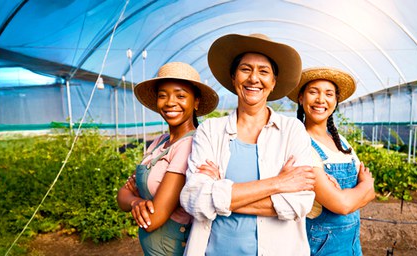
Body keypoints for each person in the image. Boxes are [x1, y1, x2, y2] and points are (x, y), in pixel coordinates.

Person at [180, 33, 322, 256]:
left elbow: (300, 202)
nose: (254, 78)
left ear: (273, 83)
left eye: (264, 71)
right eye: (245, 69)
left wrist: (218, 194)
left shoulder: (292, 130)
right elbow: (194, 199)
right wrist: (278, 183)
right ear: (233, 77)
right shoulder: (210, 131)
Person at [116, 62, 218, 256]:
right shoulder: (159, 142)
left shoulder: (190, 145)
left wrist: (132, 198)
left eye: (180, 96)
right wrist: (135, 202)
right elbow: (121, 197)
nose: (170, 102)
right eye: (163, 95)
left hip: (170, 249)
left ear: (196, 102)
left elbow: (152, 221)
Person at [289, 67, 376, 256]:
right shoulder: (301, 144)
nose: (321, 100)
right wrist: (363, 188)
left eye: (329, 94)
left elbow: (371, 193)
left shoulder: (341, 141)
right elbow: (343, 205)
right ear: (301, 98)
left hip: (352, 245)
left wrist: (350, 194)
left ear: (335, 102)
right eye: (313, 92)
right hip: (321, 247)